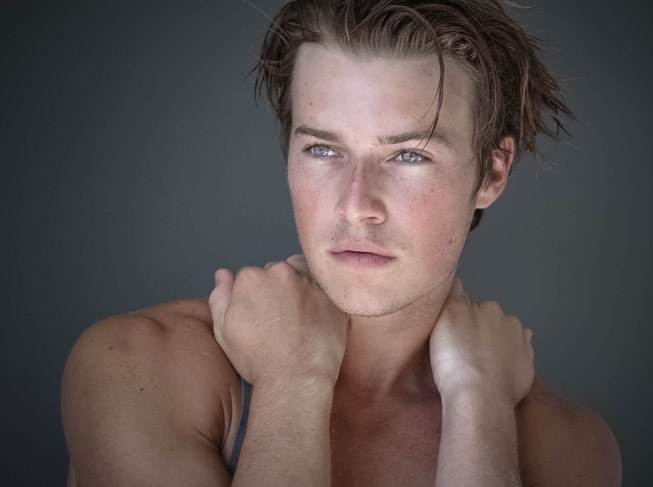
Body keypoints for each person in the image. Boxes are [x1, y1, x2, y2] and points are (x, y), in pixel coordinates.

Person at [61, 0, 621, 485]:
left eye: (410, 155)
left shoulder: (565, 447)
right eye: (323, 150)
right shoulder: (138, 367)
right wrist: (293, 381)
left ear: (493, 173)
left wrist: (480, 402)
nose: (356, 204)